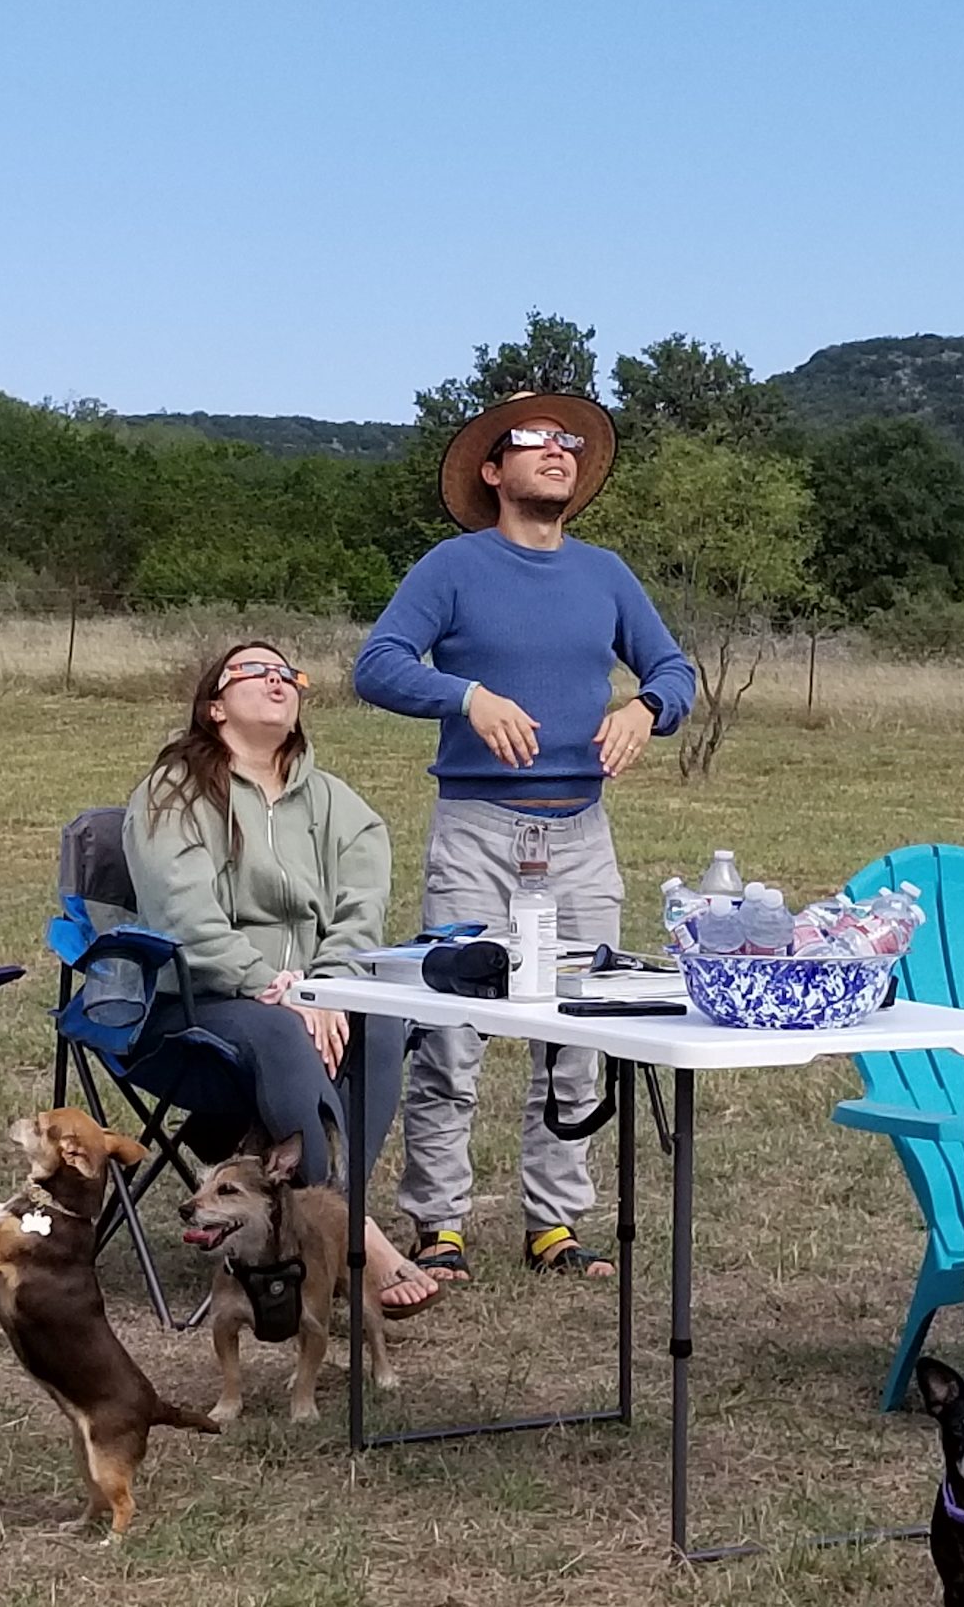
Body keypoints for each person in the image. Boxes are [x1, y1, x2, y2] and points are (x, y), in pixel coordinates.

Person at [354, 390, 696, 1284]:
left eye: (570, 441)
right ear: (494, 470)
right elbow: (378, 663)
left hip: (580, 833)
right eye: (536, 439)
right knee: (452, 1029)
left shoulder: (606, 572)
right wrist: (465, 695)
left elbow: (672, 667)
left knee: (579, 1029)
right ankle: (439, 1223)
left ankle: (554, 1223)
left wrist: (648, 707)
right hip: (476, 830)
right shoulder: (453, 567)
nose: (560, 450)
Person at [122, 639, 443, 1316]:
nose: (278, 681)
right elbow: (183, 916)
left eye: (286, 674)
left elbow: (362, 910)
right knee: (279, 1031)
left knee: (381, 1018)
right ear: (214, 706)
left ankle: (329, 1216)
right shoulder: (174, 793)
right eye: (255, 671)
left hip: (308, 995)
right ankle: (357, 1235)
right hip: (196, 1000)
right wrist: (279, 985)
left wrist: (324, 986)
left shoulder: (336, 803)